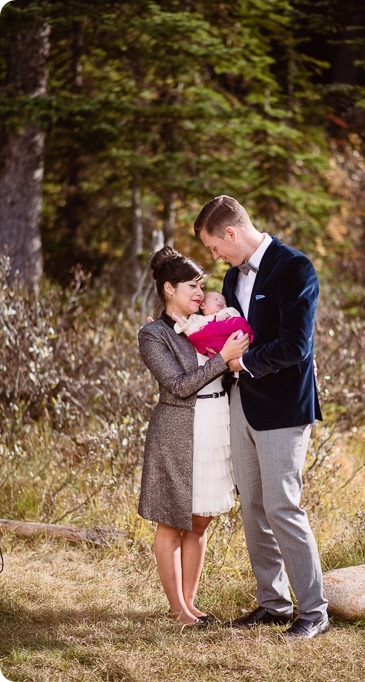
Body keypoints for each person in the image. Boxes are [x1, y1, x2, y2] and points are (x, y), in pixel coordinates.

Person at [194, 195, 329, 639]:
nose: (214, 257)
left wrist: (241, 362)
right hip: (242, 405)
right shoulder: (234, 277)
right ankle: (273, 604)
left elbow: (296, 347)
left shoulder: (295, 268)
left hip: (285, 406)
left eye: (214, 246)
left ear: (230, 233)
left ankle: (314, 612)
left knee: (281, 506)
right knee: (252, 506)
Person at [137, 246, 250, 627]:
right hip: (178, 429)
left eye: (202, 286)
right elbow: (177, 384)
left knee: (200, 520)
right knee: (172, 521)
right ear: (169, 289)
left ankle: (190, 603)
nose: (200, 294)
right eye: (192, 286)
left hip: (216, 421)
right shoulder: (154, 334)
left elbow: (235, 364)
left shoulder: (210, 322)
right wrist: (223, 358)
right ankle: (177, 609)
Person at [173, 291, 254, 357]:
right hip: (214, 346)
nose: (220, 301)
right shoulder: (199, 319)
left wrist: (227, 315)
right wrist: (179, 319)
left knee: (239, 323)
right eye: (216, 299)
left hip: (233, 340)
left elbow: (235, 314)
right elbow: (190, 330)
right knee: (196, 334)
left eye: (223, 302)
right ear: (202, 305)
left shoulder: (225, 312)